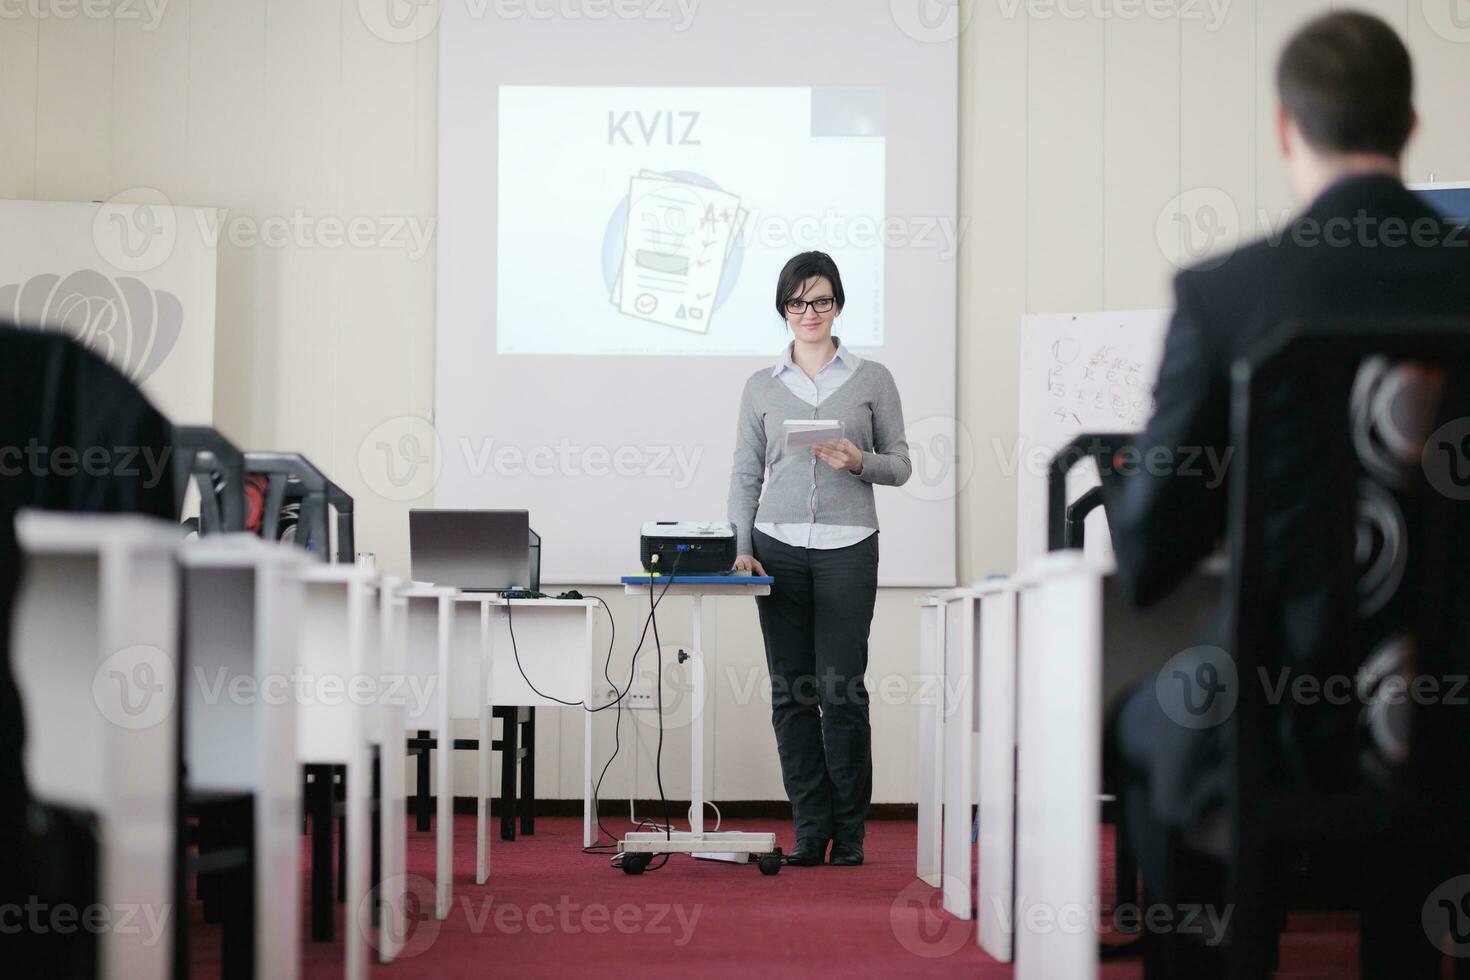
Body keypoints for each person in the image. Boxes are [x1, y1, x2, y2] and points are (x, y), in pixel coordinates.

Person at [1102, 10, 1470, 972]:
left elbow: (1147, 558)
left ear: (1283, 130)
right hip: (1457, 715)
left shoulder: (1228, 293)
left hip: (1277, 719)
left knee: (1146, 721)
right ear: (1410, 123)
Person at [726, 251, 910, 867]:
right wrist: (742, 549)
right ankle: (809, 828)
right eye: (798, 303)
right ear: (784, 309)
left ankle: (849, 832)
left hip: (848, 548)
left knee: (843, 692)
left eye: (822, 301)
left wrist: (859, 462)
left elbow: (902, 465)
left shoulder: (872, 379)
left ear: (838, 306)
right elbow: (745, 475)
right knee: (793, 694)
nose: (810, 313)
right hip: (776, 548)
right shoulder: (761, 386)